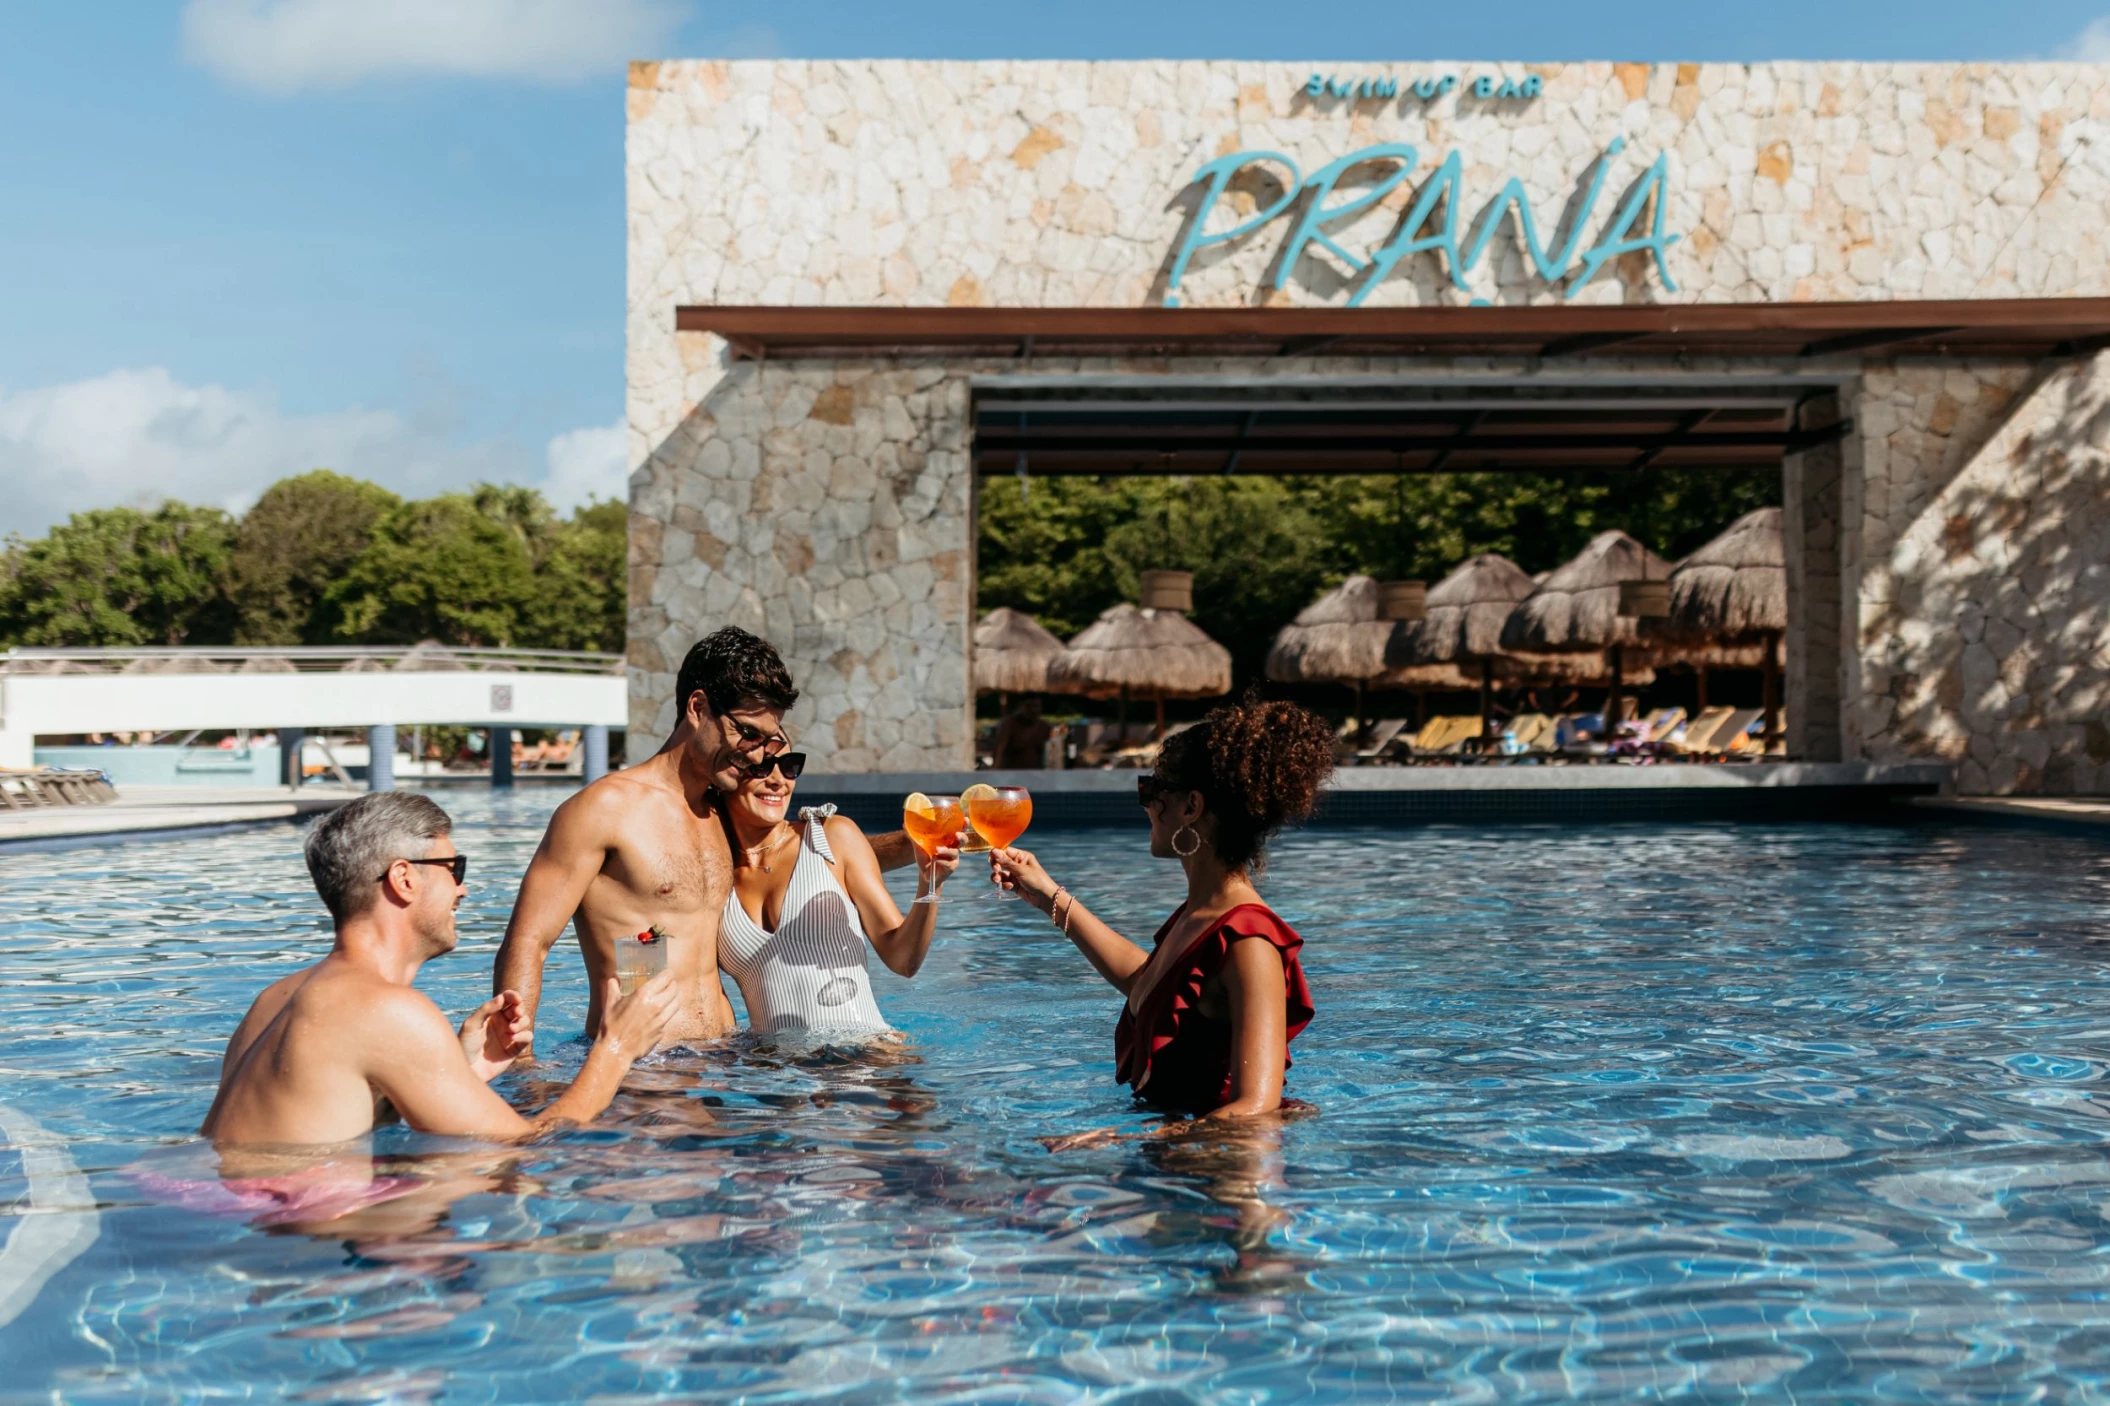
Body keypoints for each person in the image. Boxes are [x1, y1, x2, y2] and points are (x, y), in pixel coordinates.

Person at [493, 628, 923, 1054]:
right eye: (748, 733)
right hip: (645, 1067)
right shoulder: (604, 810)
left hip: (727, 1060)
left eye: (768, 740)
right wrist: (522, 1065)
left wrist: (922, 842)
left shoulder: (723, 812)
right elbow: (529, 941)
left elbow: (810, 855)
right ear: (697, 707)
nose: (758, 755)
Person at [201, 792, 679, 1147]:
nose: (462, 890)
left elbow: (312, 1118)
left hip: (231, 1222)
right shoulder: (388, 1010)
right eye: (455, 868)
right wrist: (616, 1048)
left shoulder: (276, 998)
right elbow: (527, 1145)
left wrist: (462, 1067)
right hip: (306, 1248)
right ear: (404, 878)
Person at [989, 697, 1335, 1136]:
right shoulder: (1200, 914)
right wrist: (1048, 896)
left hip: (1225, 1185)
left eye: (1152, 790)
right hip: (1177, 1162)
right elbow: (1151, 988)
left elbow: (1256, 1107)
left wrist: (1118, 1139)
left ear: (1191, 807)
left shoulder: (1249, 940)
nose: (1146, 805)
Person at [717, 748, 959, 1038]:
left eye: (790, 766)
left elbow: (903, 960)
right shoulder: (710, 878)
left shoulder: (832, 837)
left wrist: (929, 882)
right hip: (770, 1072)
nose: (778, 780)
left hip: (864, 1060)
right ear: (726, 774)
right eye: (762, 766)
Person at [992, 696, 1051, 769]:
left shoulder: (1044, 727)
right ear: (1020, 707)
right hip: (1013, 774)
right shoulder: (1009, 725)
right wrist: (994, 772)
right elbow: (999, 751)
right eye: (1028, 706)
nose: (1033, 710)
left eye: (1036, 706)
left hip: (1037, 775)